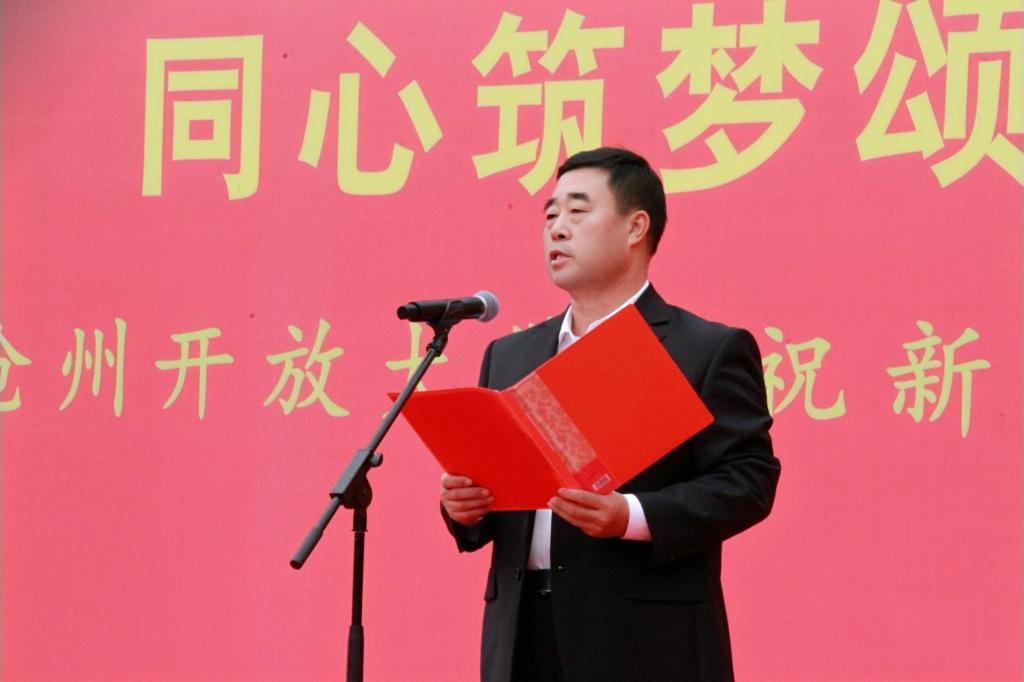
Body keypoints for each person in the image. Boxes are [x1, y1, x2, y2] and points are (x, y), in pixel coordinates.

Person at [440, 147, 780, 682]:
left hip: (645, 642)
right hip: (522, 637)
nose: (557, 228)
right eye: (550, 214)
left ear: (635, 227)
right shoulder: (510, 355)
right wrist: (467, 510)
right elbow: (498, 498)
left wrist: (633, 516)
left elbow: (748, 482)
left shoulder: (701, 349)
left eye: (578, 211)